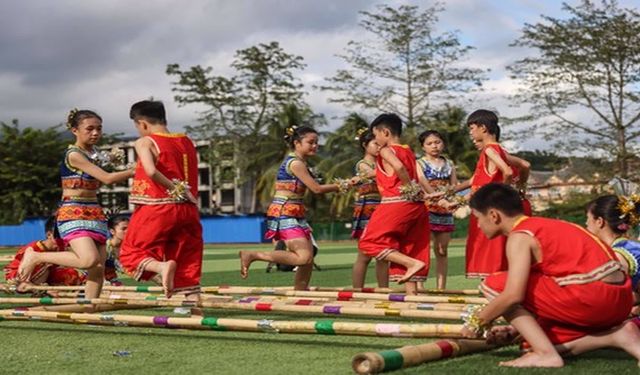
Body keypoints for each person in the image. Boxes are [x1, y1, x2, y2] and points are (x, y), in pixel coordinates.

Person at [461, 183, 635, 368]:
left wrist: (478, 321)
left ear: (494, 215)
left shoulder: (520, 235)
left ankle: (545, 354)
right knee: (532, 343)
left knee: (494, 283)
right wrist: (516, 330)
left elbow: (513, 295)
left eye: (477, 218)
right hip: (621, 302)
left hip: (593, 299)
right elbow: (550, 285)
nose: (478, 226)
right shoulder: (551, 224)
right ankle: (617, 336)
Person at [17, 109, 134, 299]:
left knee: (98, 268)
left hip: (95, 212)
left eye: (99, 129)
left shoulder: (95, 153)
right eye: (89, 129)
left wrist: (113, 158)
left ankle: (89, 309)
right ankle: (36, 256)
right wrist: (134, 171)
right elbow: (107, 178)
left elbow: (104, 162)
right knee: (88, 260)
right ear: (75, 131)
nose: (95, 133)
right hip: (73, 212)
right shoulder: (74, 155)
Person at [239, 125, 346, 290]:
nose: (315, 146)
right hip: (285, 212)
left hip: (294, 213)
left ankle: (301, 291)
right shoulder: (296, 163)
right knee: (303, 258)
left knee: (308, 259)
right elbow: (316, 189)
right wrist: (343, 185)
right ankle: (253, 255)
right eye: (311, 142)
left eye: (317, 142)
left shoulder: (300, 162)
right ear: (297, 143)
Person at [119, 100, 202, 299]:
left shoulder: (146, 141)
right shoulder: (187, 141)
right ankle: (194, 313)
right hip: (188, 210)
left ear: (142, 124)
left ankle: (161, 267)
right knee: (187, 264)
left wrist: (175, 189)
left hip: (157, 207)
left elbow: (150, 170)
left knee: (131, 253)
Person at [358, 114, 445, 295]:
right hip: (417, 207)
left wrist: (409, 186)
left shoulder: (386, 150)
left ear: (385, 132)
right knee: (409, 246)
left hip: (396, 203)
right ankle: (412, 296)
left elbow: (398, 168)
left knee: (368, 243)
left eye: (376, 136)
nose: (376, 140)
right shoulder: (408, 150)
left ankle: (411, 264)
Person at [464, 109, 518, 278]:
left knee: (486, 250)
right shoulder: (499, 150)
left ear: (483, 128)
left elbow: (507, 172)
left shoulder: (489, 150)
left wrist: (503, 193)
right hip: (488, 204)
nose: (471, 133)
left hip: (488, 207)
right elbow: (525, 165)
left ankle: (491, 291)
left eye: (472, 128)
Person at [416, 130, 458, 290]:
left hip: (445, 209)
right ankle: (419, 286)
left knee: (442, 249)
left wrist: (453, 201)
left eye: (437, 142)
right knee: (422, 247)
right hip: (426, 207)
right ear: (423, 147)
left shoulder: (449, 163)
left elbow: (454, 185)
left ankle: (441, 287)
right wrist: (438, 198)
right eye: (429, 143)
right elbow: (423, 183)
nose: (434, 146)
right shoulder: (419, 163)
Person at [6, 216, 85, 292]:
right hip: (19, 275)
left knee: (71, 273)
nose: (64, 240)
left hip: (47, 276)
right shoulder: (33, 248)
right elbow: (22, 270)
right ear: (49, 235)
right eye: (60, 236)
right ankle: (35, 287)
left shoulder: (61, 247)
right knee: (44, 265)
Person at [351, 129, 388, 288]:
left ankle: (384, 290)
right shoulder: (363, 164)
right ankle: (357, 290)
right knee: (365, 254)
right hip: (367, 209)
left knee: (383, 254)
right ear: (365, 145)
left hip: (382, 208)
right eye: (375, 144)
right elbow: (372, 174)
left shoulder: (382, 163)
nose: (379, 147)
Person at [585, 194, 640, 303]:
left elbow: (609, 298)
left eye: (588, 219)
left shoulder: (616, 256)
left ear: (599, 222)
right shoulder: (631, 246)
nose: (586, 224)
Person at [104, 215, 129, 286]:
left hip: (113, 280)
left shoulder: (128, 248)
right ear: (112, 231)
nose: (128, 231)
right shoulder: (106, 247)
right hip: (99, 280)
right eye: (124, 229)